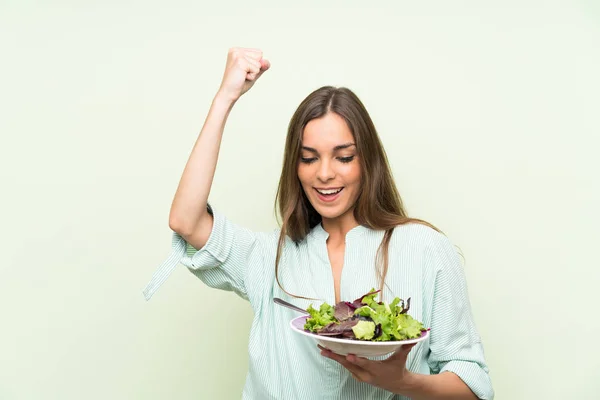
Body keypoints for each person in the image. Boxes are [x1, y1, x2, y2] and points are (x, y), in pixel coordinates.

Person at [143, 47, 494, 400]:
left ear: (367, 162)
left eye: (343, 157)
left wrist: (401, 381)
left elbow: (473, 386)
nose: (325, 174)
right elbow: (185, 221)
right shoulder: (268, 257)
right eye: (309, 158)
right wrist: (225, 99)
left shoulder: (424, 249)